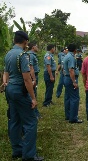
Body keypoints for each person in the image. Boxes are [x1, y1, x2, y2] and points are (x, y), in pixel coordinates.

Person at [4, 31, 44, 161]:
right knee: (30, 122)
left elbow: (6, 73)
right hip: (20, 91)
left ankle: (17, 149)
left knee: (14, 120)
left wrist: (5, 83)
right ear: (26, 41)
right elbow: (27, 80)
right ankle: (29, 155)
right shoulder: (23, 55)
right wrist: (33, 98)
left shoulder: (9, 53)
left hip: (9, 89)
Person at [63, 44, 83, 123]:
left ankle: (68, 115)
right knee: (75, 98)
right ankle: (73, 118)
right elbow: (71, 70)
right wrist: (74, 82)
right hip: (70, 79)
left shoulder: (66, 56)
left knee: (68, 98)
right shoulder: (71, 57)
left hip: (66, 78)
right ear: (75, 50)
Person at [28, 41, 41, 119]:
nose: (37, 47)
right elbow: (30, 68)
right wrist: (34, 79)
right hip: (33, 76)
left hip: (35, 75)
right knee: (33, 94)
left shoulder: (33, 55)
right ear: (33, 47)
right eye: (36, 46)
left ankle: (35, 112)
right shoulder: (30, 55)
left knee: (34, 93)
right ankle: (34, 113)